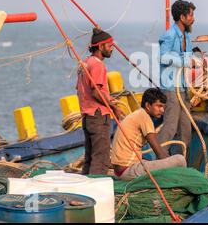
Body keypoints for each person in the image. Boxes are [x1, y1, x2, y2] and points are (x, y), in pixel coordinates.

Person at [76, 28, 124, 175]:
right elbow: (96, 92)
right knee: (101, 158)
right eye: (109, 46)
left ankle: (85, 188)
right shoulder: (98, 65)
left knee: (90, 158)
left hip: (87, 116)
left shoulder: (85, 63)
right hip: (98, 116)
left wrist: (108, 98)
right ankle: (96, 190)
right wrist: (113, 107)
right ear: (101, 46)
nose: (112, 49)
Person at [111, 88, 187, 181]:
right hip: (128, 170)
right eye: (159, 106)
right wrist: (170, 162)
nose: (162, 110)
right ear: (147, 105)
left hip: (121, 171)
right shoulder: (144, 117)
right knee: (180, 160)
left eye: (163, 107)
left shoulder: (137, 114)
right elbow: (160, 154)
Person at [157, 0, 196, 157]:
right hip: (171, 88)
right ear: (182, 17)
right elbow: (163, 57)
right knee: (170, 128)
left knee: (186, 130)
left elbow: (190, 57)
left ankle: (180, 164)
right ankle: (160, 161)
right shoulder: (170, 35)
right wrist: (185, 62)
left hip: (183, 88)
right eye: (191, 15)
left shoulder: (187, 35)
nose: (193, 18)